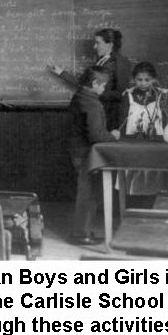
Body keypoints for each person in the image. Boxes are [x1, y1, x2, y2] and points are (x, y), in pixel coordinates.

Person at [68, 67, 121, 245]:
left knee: (87, 193)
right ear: (94, 83)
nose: (104, 88)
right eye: (103, 85)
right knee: (88, 194)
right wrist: (113, 136)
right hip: (86, 154)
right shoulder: (91, 103)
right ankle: (81, 234)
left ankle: (84, 231)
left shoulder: (80, 97)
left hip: (78, 152)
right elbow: (96, 136)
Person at [48, 28, 132, 130]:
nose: (94, 47)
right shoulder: (102, 61)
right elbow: (85, 83)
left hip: (107, 114)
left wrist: (96, 93)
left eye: (98, 43)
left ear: (109, 45)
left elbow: (120, 93)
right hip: (95, 111)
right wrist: (61, 73)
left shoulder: (120, 62)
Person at [120, 61, 165, 201]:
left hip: (155, 141)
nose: (143, 83)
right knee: (133, 169)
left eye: (147, 80)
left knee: (152, 170)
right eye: (139, 79)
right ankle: (131, 201)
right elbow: (123, 119)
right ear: (134, 79)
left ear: (154, 79)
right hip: (133, 141)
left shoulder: (161, 95)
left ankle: (152, 200)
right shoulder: (128, 96)